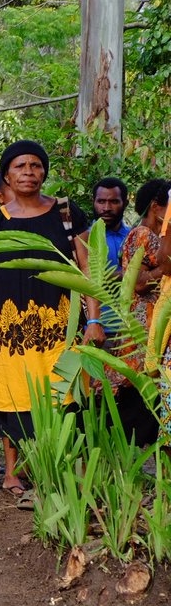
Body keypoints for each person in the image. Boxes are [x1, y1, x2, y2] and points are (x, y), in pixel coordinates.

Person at [0, 140, 100, 507]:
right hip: (10, 331)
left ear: (44, 172)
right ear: (7, 175)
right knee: (15, 401)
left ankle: (61, 474)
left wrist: (95, 319)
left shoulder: (66, 214)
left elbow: (87, 270)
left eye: (36, 165)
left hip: (60, 327)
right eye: (20, 166)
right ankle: (18, 474)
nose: (29, 172)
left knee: (64, 401)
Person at [109, 179, 169, 446]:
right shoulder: (142, 235)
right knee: (135, 383)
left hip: (153, 320)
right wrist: (166, 270)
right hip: (141, 321)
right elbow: (139, 282)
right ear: (156, 207)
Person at [93, 177, 130, 273]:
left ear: (125, 204)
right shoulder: (84, 239)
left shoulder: (135, 237)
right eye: (101, 201)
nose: (106, 208)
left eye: (114, 202)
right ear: (93, 202)